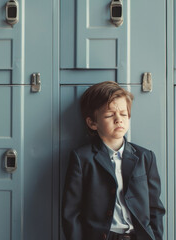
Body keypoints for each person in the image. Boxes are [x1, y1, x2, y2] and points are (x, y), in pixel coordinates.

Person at [62, 81, 165, 240]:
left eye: (124, 114)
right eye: (110, 115)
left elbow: (155, 209)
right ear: (92, 123)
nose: (119, 120)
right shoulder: (81, 158)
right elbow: (71, 213)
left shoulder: (146, 157)